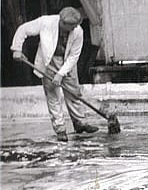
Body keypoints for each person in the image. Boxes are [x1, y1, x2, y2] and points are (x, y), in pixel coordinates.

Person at [11, 7, 98, 141]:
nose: (75, 29)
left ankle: (80, 123)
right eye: (72, 26)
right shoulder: (45, 22)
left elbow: (74, 55)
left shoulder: (78, 31)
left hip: (67, 62)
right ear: (63, 23)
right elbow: (23, 29)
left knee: (74, 92)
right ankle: (60, 129)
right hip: (49, 62)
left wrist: (61, 74)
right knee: (53, 95)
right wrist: (17, 48)